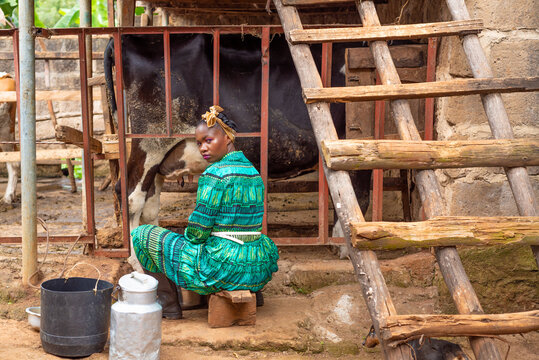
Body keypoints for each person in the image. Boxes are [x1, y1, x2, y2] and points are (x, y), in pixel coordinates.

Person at [131, 105, 279, 319]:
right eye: (199, 143)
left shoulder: (215, 174)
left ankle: (169, 304)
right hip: (258, 265)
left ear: (228, 138)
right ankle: (255, 292)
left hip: (222, 267)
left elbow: (197, 233)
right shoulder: (253, 173)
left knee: (143, 235)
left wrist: (187, 236)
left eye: (209, 140)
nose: (202, 148)